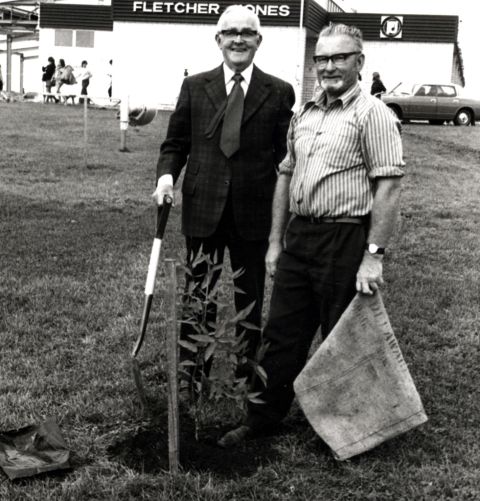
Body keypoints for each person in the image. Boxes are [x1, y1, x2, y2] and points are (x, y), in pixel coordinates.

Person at [219, 23, 405, 448]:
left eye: (340, 57)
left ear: (359, 61)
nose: (329, 67)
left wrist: (373, 254)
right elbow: (285, 174)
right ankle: (262, 416)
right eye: (322, 59)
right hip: (300, 237)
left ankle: (350, 428)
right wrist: (274, 241)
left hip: (345, 238)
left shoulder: (372, 114)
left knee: (343, 337)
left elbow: (389, 185)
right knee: (282, 331)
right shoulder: (305, 113)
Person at [152, 5, 295, 385]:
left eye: (247, 32)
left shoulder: (279, 91)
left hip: (254, 211)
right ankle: (191, 380)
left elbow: (287, 157)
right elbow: (175, 143)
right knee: (198, 296)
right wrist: (167, 178)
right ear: (218, 40)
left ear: (258, 41)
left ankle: (248, 380)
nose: (238, 39)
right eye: (230, 32)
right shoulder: (195, 86)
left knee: (250, 300)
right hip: (203, 208)